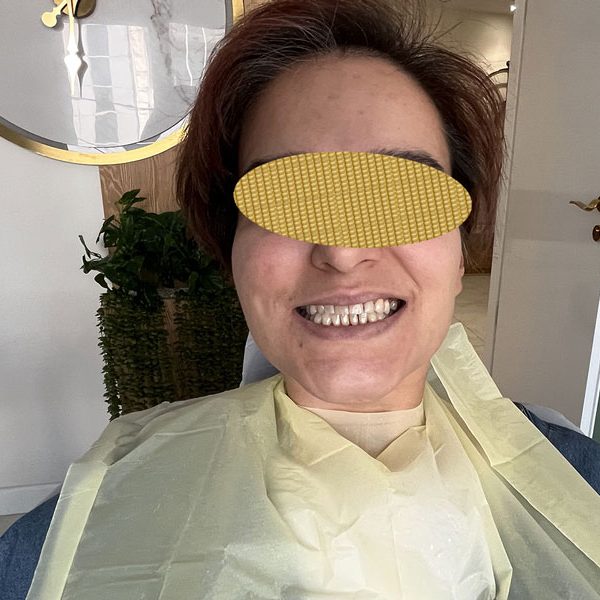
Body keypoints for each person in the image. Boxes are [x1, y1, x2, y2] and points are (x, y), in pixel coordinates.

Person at [3, 1, 600, 598]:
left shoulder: (577, 481)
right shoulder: (76, 529)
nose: (343, 250)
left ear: (459, 250)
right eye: (286, 201)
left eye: (400, 197)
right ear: (231, 250)